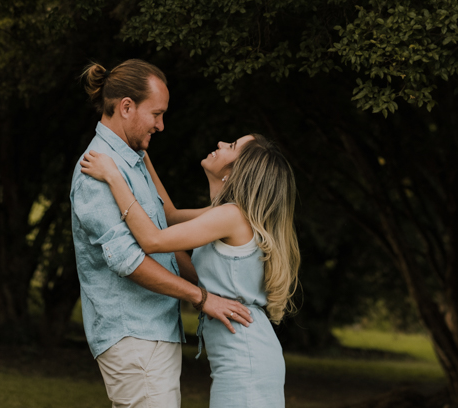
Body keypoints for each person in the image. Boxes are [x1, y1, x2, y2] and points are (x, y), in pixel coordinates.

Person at [71, 59, 253, 408]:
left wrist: (210, 288)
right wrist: (201, 298)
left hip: (153, 333)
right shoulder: (96, 170)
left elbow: (164, 237)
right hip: (134, 336)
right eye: (156, 113)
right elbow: (129, 260)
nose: (162, 124)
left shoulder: (131, 160)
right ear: (126, 107)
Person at [81, 132, 300, 408]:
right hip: (250, 354)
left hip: (247, 362)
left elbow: (153, 239)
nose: (220, 143)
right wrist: (139, 153)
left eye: (231, 146)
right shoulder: (227, 214)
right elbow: (168, 216)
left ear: (238, 170)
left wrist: (114, 176)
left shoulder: (231, 216)